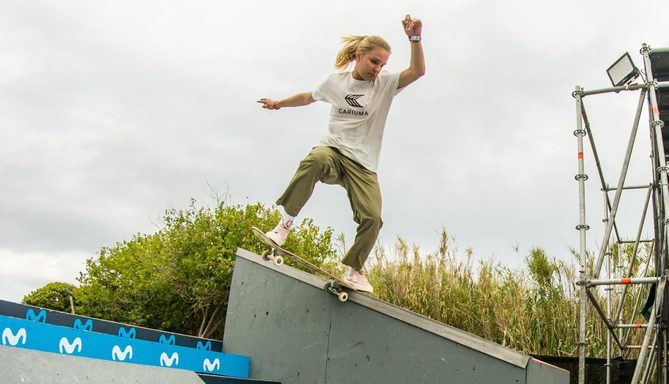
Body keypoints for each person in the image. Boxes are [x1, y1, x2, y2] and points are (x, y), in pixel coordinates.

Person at [257, 15, 425, 293]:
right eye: (374, 62)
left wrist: (415, 39)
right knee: (314, 159)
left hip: (364, 165)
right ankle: (284, 225)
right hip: (334, 152)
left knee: (372, 218)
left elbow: (417, 72)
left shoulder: (384, 85)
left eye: (383, 64)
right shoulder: (336, 83)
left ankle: (355, 270)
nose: (378, 69)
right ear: (359, 55)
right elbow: (308, 97)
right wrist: (279, 104)